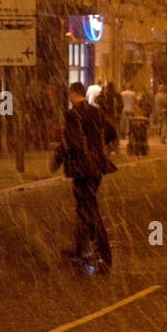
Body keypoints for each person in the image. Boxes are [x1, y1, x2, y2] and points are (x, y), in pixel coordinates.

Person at [51, 82, 117, 274]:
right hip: (96, 169)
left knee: (89, 211)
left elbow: (69, 143)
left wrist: (57, 161)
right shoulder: (95, 112)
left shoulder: (72, 115)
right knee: (83, 208)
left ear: (73, 94)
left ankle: (104, 255)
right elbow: (111, 132)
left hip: (82, 169)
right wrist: (97, 148)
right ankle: (79, 250)